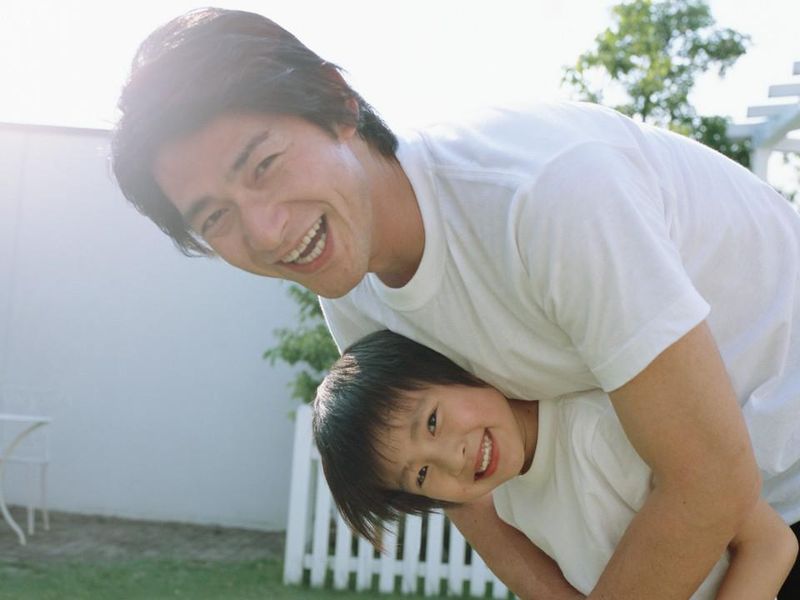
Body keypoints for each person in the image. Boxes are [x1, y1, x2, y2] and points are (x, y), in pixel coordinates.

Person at [111, 7, 800, 599]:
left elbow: (710, 479)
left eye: (263, 164)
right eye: (216, 218)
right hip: (709, 524)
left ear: (338, 102)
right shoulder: (353, 297)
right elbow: (477, 513)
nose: (265, 233)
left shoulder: (543, 194)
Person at [313, 329, 798, 599]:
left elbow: (771, 543)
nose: (451, 459)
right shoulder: (512, 508)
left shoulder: (600, 425)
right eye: (421, 476)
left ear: (455, 368)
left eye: (433, 422)